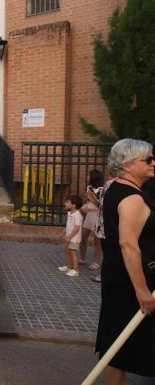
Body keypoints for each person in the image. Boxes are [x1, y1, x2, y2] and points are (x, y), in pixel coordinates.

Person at [95, 139, 155, 383]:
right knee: (121, 343)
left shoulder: (116, 188)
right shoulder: (131, 198)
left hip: (119, 277)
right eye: (148, 159)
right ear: (128, 164)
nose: (153, 163)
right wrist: (142, 291)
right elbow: (128, 244)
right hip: (132, 281)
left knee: (117, 347)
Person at [92, 177, 116, 283]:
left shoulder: (110, 184)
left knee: (109, 251)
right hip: (110, 223)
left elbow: (102, 205)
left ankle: (105, 274)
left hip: (107, 224)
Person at [80, 169, 104, 268]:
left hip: (97, 216)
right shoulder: (89, 188)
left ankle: (96, 262)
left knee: (97, 241)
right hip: (89, 216)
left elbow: (100, 205)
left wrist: (92, 198)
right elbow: (88, 201)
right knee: (82, 237)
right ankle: (81, 258)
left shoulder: (102, 190)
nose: (87, 177)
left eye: (89, 175)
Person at [57, 195, 83, 277]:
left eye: (67, 202)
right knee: (67, 252)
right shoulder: (70, 213)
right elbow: (68, 225)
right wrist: (63, 233)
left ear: (74, 205)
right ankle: (69, 267)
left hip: (74, 238)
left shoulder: (77, 215)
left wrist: (69, 237)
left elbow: (76, 228)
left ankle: (75, 270)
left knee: (73, 253)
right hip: (69, 237)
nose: (65, 203)